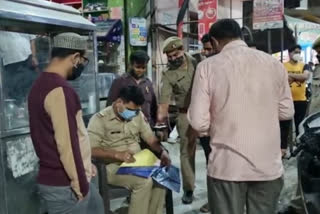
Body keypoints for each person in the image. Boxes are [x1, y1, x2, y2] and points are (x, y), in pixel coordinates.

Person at [188, 19, 294, 214]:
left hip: (226, 167)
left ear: (215, 41)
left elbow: (198, 121)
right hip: (267, 165)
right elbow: (287, 112)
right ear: (241, 36)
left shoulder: (207, 67)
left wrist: (217, 125)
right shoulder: (274, 64)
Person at [28, 32, 104, 214]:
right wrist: (81, 188)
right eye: (83, 61)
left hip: (63, 179)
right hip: (66, 185)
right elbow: (67, 144)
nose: (81, 66)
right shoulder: (60, 90)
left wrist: (86, 165)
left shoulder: (39, 85)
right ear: (75, 57)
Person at [87, 86, 171, 214]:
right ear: (119, 102)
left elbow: (150, 138)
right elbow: (90, 150)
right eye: (131, 110)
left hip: (137, 162)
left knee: (162, 176)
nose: (134, 114)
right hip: (111, 167)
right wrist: (116, 155)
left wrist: (162, 151)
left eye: (137, 111)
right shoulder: (99, 119)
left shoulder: (137, 115)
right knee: (143, 182)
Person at [278, 37, 320, 214]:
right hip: (314, 129)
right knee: (306, 167)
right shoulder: (318, 67)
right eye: (318, 52)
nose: (318, 55)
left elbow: (305, 76)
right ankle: (300, 205)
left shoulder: (308, 67)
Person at [157, 36, 197, 204]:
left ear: (182, 50)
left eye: (176, 54)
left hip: (208, 112)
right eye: (169, 56)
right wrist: (160, 122)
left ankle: (218, 186)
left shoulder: (198, 61)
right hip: (185, 115)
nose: (173, 58)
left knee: (214, 151)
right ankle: (189, 189)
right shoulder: (168, 74)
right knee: (186, 153)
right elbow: (164, 100)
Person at [106, 50, 157, 126]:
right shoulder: (120, 82)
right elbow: (110, 107)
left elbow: (153, 107)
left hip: (146, 127)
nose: (141, 70)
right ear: (131, 65)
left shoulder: (148, 83)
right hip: (126, 128)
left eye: (143, 68)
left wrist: (154, 124)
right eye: (138, 67)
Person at [280, 45, 310, 156]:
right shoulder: (282, 65)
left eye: (299, 52)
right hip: (285, 99)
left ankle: (299, 147)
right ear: (289, 53)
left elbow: (305, 76)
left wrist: (289, 75)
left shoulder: (304, 65)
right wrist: (297, 76)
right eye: (295, 52)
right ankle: (283, 149)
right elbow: (281, 77)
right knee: (284, 126)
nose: (297, 54)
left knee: (300, 125)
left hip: (301, 100)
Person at [0, 31, 39, 104]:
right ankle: (19, 109)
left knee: (32, 87)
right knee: (15, 91)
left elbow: (32, 40)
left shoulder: (25, 22)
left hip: (27, 58)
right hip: (10, 61)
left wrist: (34, 56)